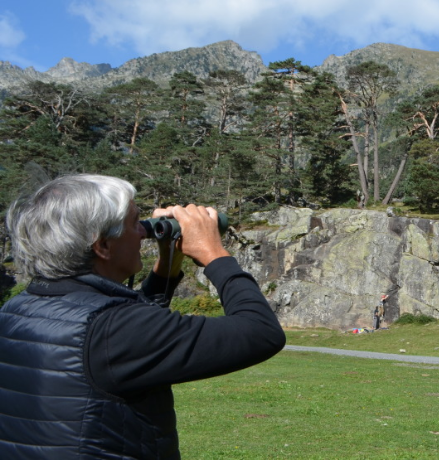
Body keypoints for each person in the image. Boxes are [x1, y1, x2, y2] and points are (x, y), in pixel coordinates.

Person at [0, 174, 286, 459]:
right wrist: (214, 254)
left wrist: (168, 261)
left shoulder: (17, 310)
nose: (142, 233)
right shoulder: (114, 329)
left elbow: (127, 338)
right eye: (135, 222)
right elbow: (260, 332)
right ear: (102, 246)